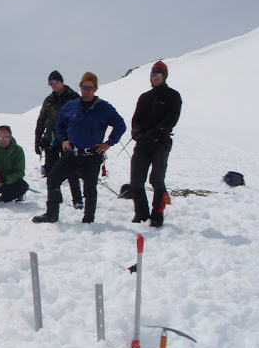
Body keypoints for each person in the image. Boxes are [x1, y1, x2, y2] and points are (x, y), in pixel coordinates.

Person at [33, 72, 126, 224]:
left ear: (95, 88)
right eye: (84, 87)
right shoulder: (71, 106)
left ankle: (88, 219)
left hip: (92, 155)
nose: (86, 90)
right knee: (53, 178)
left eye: (90, 87)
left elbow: (120, 125)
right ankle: (51, 214)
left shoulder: (103, 108)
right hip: (72, 153)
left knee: (89, 188)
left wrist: (109, 143)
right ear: (80, 87)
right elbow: (59, 124)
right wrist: (63, 140)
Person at [129, 61, 182, 228]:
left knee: (157, 180)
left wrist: (156, 133)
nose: (155, 77)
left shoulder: (173, 96)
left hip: (161, 143)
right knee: (136, 181)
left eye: (159, 74)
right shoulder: (145, 97)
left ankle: (157, 215)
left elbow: (171, 120)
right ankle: (141, 214)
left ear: (164, 77)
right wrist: (137, 134)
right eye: (153, 74)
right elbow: (135, 119)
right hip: (142, 143)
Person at [35, 70, 83, 208]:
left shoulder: (73, 98)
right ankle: (56, 197)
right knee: (51, 169)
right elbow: (41, 119)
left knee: (71, 170)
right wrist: (38, 138)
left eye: (54, 82)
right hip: (50, 138)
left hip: (69, 138)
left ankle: (77, 199)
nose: (52, 85)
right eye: (50, 83)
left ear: (61, 81)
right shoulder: (49, 100)